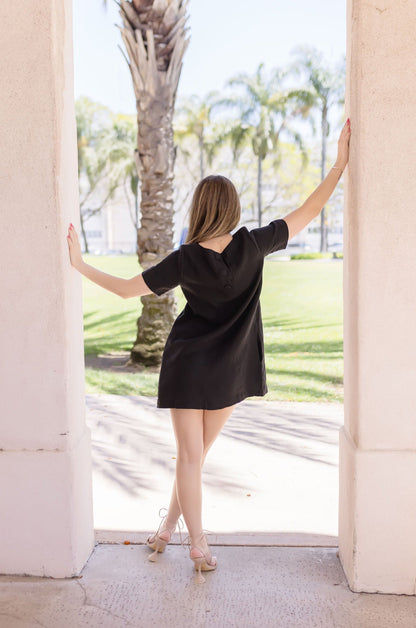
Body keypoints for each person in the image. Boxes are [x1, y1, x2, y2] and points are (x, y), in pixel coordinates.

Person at [67, 118, 351, 583]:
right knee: (193, 459)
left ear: (200, 208)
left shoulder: (185, 258)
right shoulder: (254, 245)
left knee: (190, 460)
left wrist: (79, 264)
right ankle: (193, 544)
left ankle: (170, 533)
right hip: (228, 372)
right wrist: (339, 163)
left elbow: (123, 290)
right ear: (233, 208)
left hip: (186, 367)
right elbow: (308, 209)